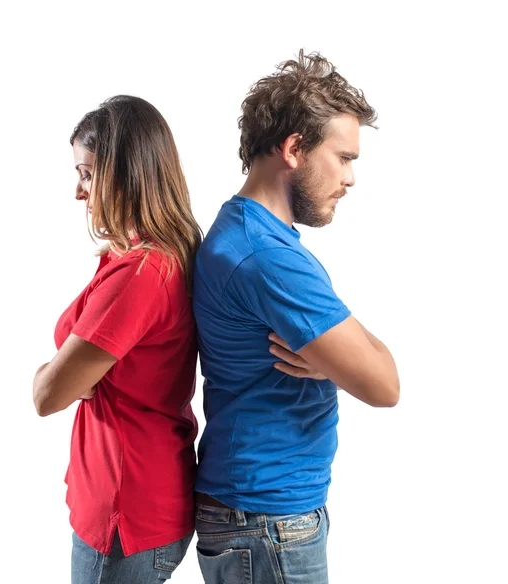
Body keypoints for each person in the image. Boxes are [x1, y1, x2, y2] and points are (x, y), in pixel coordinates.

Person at [192, 51, 400, 583]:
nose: (350, 178)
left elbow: (367, 365)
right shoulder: (267, 256)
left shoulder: (245, 231)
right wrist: (340, 360)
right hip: (267, 519)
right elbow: (383, 383)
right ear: (294, 148)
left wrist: (333, 357)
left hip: (261, 513)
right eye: (344, 157)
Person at [32, 95, 202, 584]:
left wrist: (49, 372)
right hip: (131, 500)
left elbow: (47, 397)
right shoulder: (146, 257)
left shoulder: (141, 274)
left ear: (125, 173)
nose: (79, 192)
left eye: (87, 174)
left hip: (127, 512)